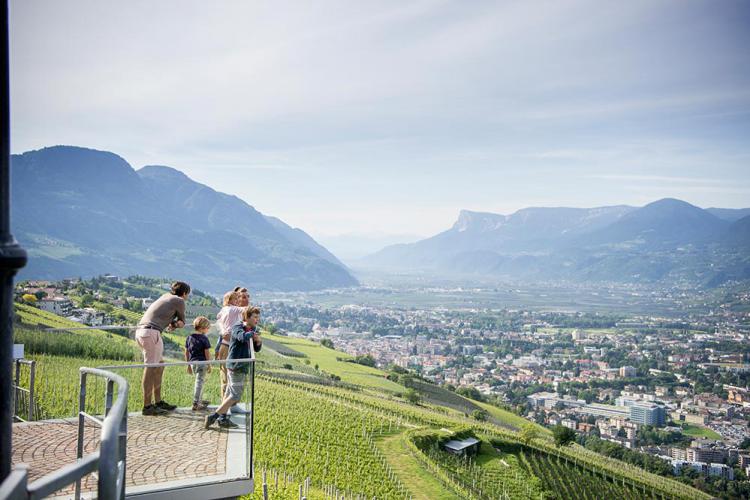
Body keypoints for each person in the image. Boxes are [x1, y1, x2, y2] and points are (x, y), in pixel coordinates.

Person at [135, 280, 189, 416]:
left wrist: (171, 322)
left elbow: (162, 313)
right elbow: (182, 322)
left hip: (143, 331)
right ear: (184, 293)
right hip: (152, 332)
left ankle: (158, 402)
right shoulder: (179, 300)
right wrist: (176, 324)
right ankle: (147, 406)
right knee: (151, 367)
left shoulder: (165, 296)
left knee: (159, 366)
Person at [205, 306, 262, 429]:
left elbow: (256, 349)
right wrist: (253, 334)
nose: (258, 319)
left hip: (242, 366)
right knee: (235, 395)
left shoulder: (253, 329)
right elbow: (241, 337)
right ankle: (213, 417)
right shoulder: (238, 326)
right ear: (247, 317)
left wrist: (258, 341)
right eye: (255, 317)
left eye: (258, 317)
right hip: (236, 365)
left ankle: (222, 418)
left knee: (230, 393)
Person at [215, 290, 242, 399]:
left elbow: (218, 318)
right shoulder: (233, 309)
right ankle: (228, 405)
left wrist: (222, 330)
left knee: (224, 377)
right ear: (229, 300)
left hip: (223, 345)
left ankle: (225, 402)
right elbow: (247, 310)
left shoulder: (223, 310)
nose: (238, 300)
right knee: (231, 378)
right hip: (229, 347)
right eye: (235, 298)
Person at [185, 316, 212, 411]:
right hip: (202, 363)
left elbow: (187, 352)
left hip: (193, 363)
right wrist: (209, 365)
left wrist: (188, 365)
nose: (208, 329)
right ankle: (196, 403)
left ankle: (199, 401)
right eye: (208, 328)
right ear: (202, 328)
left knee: (199, 382)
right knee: (199, 382)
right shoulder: (204, 338)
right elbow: (207, 353)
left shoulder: (189, 337)